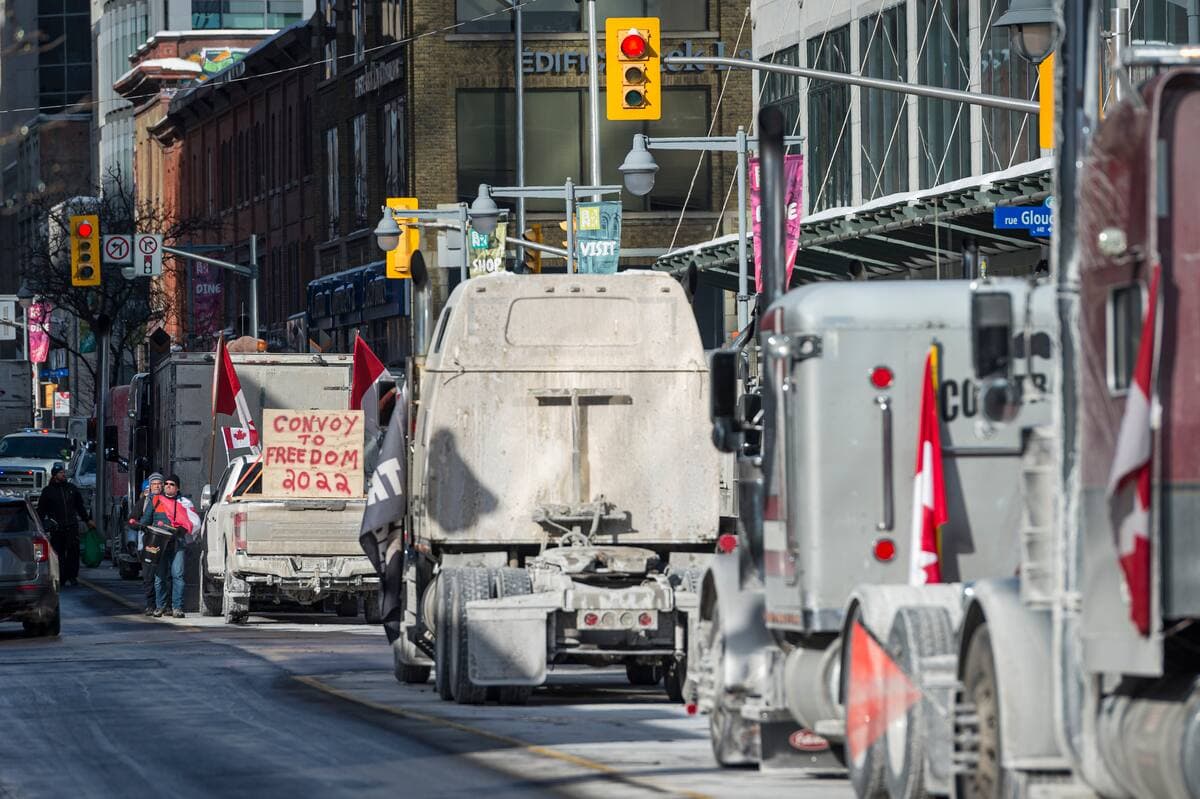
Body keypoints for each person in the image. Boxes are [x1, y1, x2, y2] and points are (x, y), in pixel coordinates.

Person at [140, 473, 193, 618]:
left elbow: (192, 523)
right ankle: (160, 606)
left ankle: (177, 608)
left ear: (177, 488)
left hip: (177, 544)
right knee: (160, 577)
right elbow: (145, 520)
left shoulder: (184, 503)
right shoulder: (156, 500)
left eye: (172, 484)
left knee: (178, 575)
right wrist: (143, 527)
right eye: (167, 484)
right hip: (159, 544)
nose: (168, 486)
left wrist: (182, 530)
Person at [36, 464, 94, 586]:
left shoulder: (71, 489)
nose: (63, 474)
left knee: (73, 552)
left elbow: (80, 507)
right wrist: (39, 525)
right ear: (55, 475)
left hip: (71, 526)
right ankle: (61, 577)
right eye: (60, 472)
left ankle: (72, 576)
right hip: (57, 527)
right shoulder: (48, 491)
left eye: (64, 472)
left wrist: (87, 520)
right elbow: (41, 510)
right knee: (59, 553)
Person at [129, 472, 164, 615]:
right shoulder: (143, 502)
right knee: (148, 576)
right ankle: (151, 604)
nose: (156, 487)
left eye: (158, 484)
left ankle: (163, 605)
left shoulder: (166, 500)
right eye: (153, 484)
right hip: (147, 543)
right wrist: (139, 525)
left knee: (163, 576)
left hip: (163, 543)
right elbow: (132, 519)